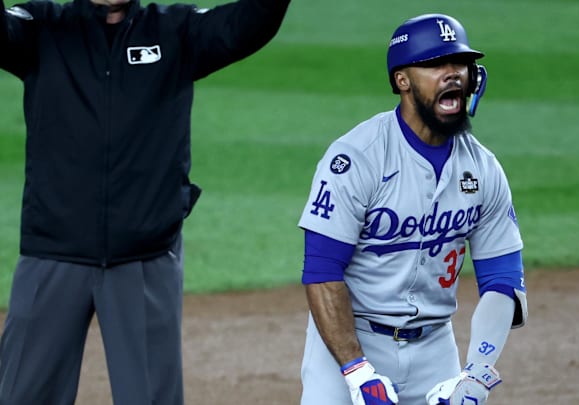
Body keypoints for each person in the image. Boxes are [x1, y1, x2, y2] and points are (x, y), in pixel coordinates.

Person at [0, 0, 290, 403]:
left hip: (144, 260)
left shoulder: (175, 30)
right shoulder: (42, 26)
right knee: (22, 396)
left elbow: (249, 23)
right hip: (52, 255)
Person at [297, 13, 528, 405]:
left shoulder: (483, 168)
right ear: (402, 80)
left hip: (436, 348)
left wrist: (476, 371)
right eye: (436, 64)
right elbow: (321, 271)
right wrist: (357, 371)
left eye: (460, 63)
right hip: (349, 342)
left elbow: (503, 277)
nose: (453, 73)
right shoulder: (358, 158)